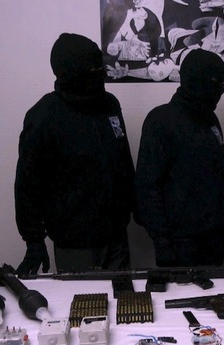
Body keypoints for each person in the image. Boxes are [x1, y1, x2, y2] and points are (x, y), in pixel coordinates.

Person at [14, 33, 136, 274]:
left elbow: (123, 160)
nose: (100, 75)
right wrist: (34, 240)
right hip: (75, 244)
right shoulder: (44, 118)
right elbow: (27, 185)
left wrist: (136, 205)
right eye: (93, 70)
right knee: (84, 299)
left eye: (101, 68)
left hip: (116, 236)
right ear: (70, 74)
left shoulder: (109, 104)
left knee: (124, 297)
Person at [135, 48, 224, 267]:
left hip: (213, 238)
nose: (220, 90)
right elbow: (147, 186)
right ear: (193, 80)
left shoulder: (211, 119)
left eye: (222, 83)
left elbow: (218, 176)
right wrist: (161, 241)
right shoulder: (161, 121)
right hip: (179, 241)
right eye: (214, 82)